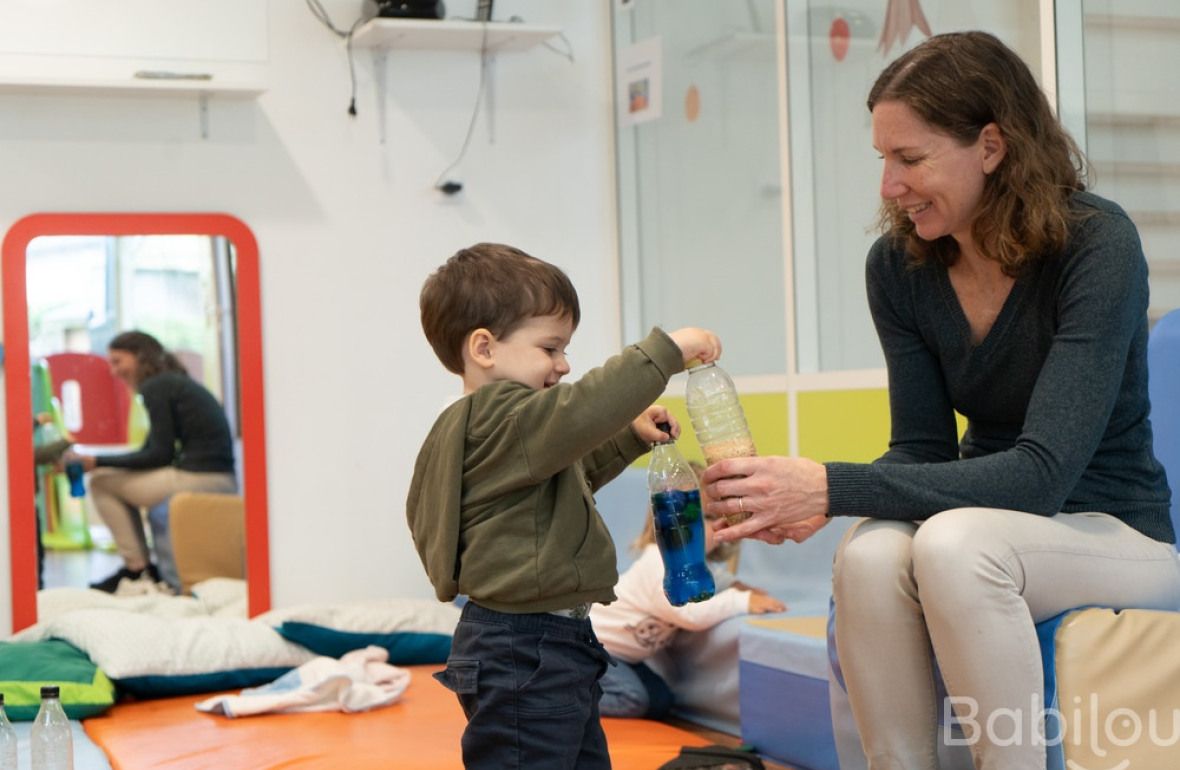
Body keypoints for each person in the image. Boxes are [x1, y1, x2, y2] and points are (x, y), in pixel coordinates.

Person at [700, 31, 1180, 770]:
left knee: (955, 546)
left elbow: (1040, 475)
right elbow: (920, 450)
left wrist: (827, 485)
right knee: (867, 557)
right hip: (985, 528)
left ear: (991, 146)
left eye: (911, 159)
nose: (889, 186)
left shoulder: (1096, 243)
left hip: (1116, 533)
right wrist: (807, 503)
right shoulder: (899, 267)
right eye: (883, 160)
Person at [406, 242, 721, 770]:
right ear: (484, 348)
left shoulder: (506, 430)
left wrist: (627, 439)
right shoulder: (500, 415)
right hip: (524, 647)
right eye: (551, 348)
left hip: (548, 641)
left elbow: (573, 467)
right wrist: (667, 351)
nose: (564, 364)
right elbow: (584, 410)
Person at [591, 466, 785, 719]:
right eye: (703, 517)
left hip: (623, 657)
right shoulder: (658, 564)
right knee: (634, 699)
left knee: (661, 700)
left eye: (719, 517)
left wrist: (741, 588)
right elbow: (689, 615)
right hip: (594, 650)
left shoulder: (694, 568)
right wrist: (742, 601)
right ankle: (563, 700)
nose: (716, 527)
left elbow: (719, 580)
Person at [65, 331, 238, 593]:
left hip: (203, 477)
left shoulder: (156, 387)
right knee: (108, 477)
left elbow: (158, 454)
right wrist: (99, 460)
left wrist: (96, 461)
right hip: (218, 476)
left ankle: (137, 569)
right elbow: (152, 451)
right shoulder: (171, 383)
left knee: (101, 483)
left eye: (117, 361)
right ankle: (142, 568)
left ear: (139, 358)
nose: (112, 371)